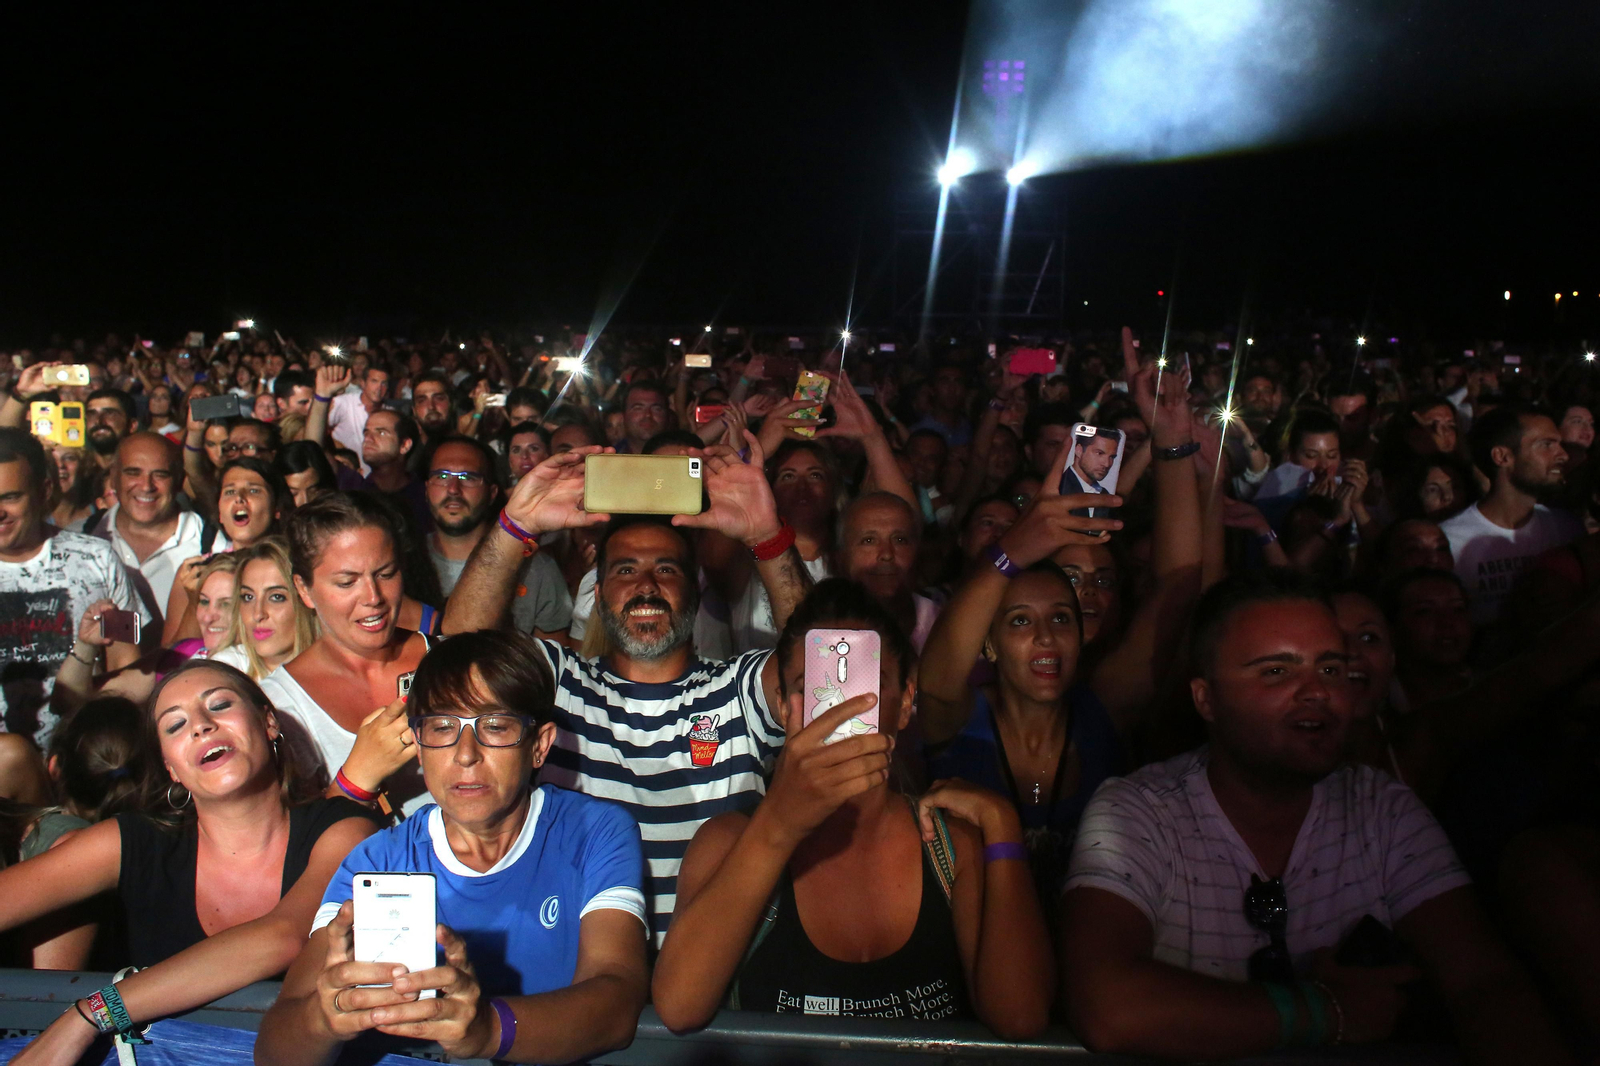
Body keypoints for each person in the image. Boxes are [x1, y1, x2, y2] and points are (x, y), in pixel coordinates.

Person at [1057, 569, 1572, 1064]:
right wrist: (1327, 1010)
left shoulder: (1379, 808)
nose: (1317, 691)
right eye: (1277, 671)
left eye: (1329, 669)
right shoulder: (1140, 810)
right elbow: (1108, 1004)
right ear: (1206, 699)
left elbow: (1482, 982)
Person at [442, 435, 814, 943]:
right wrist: (516, 526)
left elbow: (827, 667)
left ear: (694, 586)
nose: (645, 586)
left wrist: (768, 538)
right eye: (624, 570)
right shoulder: (560, 683)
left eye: (666, 569)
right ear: (596, 592)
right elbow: (460, 658)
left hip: (720, 980)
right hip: (579, 980)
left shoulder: (737, 690)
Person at [654, 578, 1051, 1036]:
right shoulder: (727, 843)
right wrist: (778, 825)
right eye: (813, 686)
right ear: (783, 706)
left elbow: (1021, 1018)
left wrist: (1002, 824)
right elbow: (679, 1008)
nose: (837, 708)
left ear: (904, 703)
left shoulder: (950, 847)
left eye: (865, 686)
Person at [255, 629, 650, 1066]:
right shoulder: (376, 860)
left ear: (539, 745)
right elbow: (275, 1047)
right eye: (442, 728)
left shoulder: (595, 832)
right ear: (419, 749)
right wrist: (321, 1020)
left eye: (495, 727)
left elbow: (617, 1003)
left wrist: (487, 1029)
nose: (465, 754)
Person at [0, 660, 380, 1065]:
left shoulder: (344, 830)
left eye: (219, 705)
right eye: (175, 725)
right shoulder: (133, 842)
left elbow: (284, 937)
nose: (200, 725)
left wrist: (90, 1015)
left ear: (269, 723)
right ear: (171, 768)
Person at [260, 494, 432, 815]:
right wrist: (358, 777)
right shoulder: (281, 706)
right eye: (346, 581)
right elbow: (291, 846)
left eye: (385, 573)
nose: (373, 597)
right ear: (303, 589)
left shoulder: (449, 658)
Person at [0, 428, 143, 744]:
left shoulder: (96, 559)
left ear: (44, 490)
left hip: (81, 760)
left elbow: (127, 667)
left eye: (9, 497)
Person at [1440, 404, 1582, 625]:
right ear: (1502, 457)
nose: (1562, 455)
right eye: (1546, 445)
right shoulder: (1451, 541)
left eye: (1560, 444)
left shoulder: (1567, 529)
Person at [422, 435, 571, 639]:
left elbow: (555, 662)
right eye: (442, 476)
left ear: (492, 492)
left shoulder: (536, 568)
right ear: (426, 488)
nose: (453, 489)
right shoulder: (402, 564)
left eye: (468, 477)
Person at [93, 431, 229, 631]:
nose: (147, 486)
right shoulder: (84, 537)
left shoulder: (213, 546)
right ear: (113, 478)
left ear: (179, 481)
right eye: (133, 473)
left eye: (160, 475)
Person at [231, 537, 318, 681]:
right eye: (248, 597)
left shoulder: (343, 677)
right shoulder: (227, 671)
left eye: (276, 597)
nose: (258, 614)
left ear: (306, 598)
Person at [322, 363, 390, 469]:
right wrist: (336, 446)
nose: (379, 388)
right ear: (363, 383)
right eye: (374, 381)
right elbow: (320, 429)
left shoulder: (390, 414)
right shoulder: (343, 403)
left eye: (384, 384)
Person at [617, 380, 671, 453]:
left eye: (656, 409)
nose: (648, 414)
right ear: (623, 416)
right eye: (638, 408)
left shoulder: (683, 459)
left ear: (667, 415)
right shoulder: (607, 459)